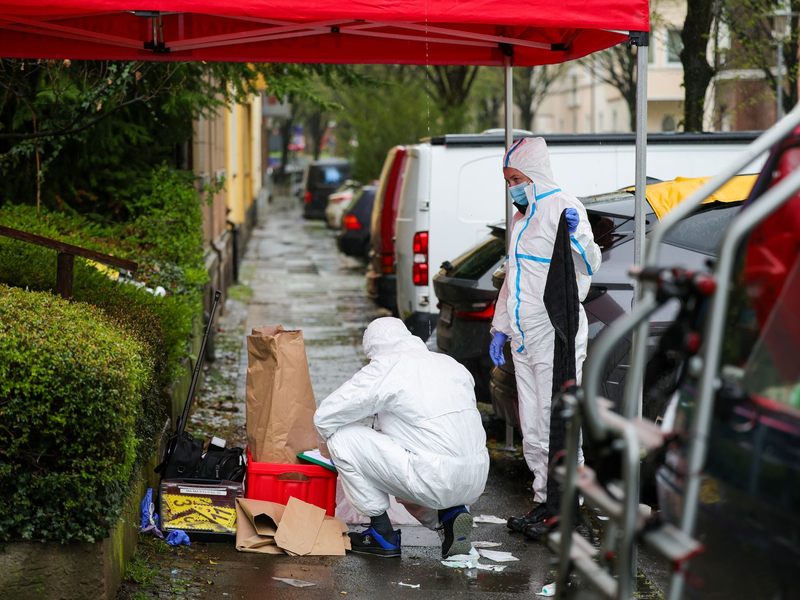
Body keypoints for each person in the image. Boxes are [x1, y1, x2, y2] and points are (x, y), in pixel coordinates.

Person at [489, 137, 601, 540]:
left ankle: (568, 508)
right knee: (532, 426)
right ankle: (544, 501)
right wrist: (501, 326)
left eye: (516, 178)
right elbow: (513, 280)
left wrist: (576, 237)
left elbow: (591, 264)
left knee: (559, 423)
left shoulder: (565, 207)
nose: (512, 187)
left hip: (556, 333)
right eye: (508, 180)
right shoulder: (522, 220)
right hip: (524, 336)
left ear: (534, 175)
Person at [315, 317, 490, 558]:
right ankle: (450, 517)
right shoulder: (450, 364)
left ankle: (381, 534)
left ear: (373, 350)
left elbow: (326, 415)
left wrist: (330, 453)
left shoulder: (388, 366)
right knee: (420, 449)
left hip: (432, 476)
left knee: (341, 436)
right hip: (476, 477)